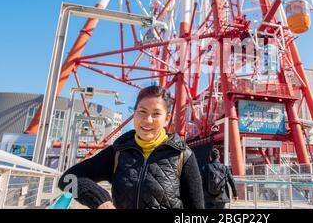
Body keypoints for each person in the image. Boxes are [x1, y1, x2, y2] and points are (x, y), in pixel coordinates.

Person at [58, 85, 204, 209]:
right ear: (134, 114)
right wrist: (99, 199)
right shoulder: (118, 152)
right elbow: (67, 178)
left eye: (156, 114)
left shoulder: (182, 155)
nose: (148, 120)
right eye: (142, 112)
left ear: (166, 119)